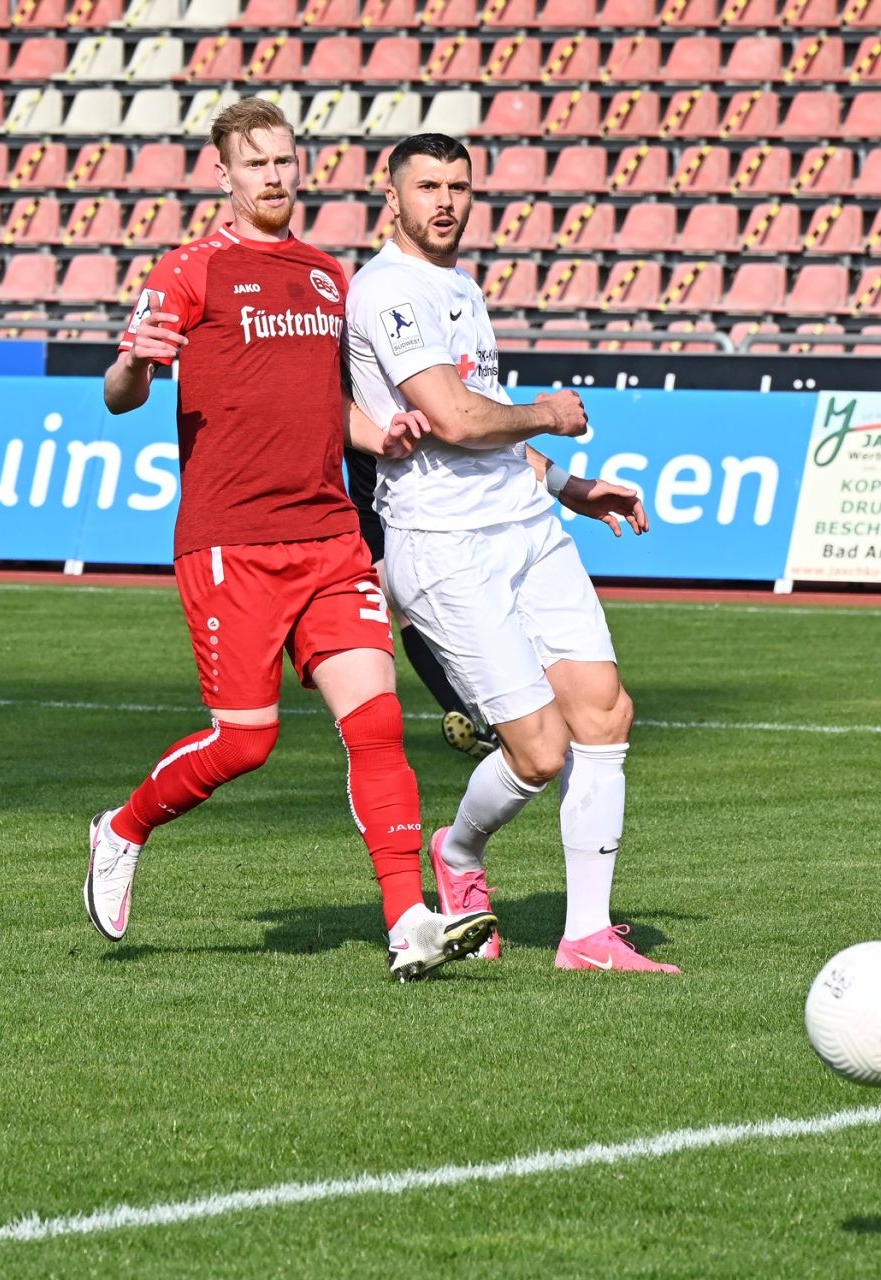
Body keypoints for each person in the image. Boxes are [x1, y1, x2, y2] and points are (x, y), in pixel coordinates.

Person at [82, 100, 495, 982]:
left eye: (285, 160)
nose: (274, 176)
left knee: (377, 725)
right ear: (224, 175)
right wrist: (133, 363)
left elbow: (326, 402)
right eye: (256, 163)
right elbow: (121, 394)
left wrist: (378, 434)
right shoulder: (189, 269)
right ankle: (121, 828)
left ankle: (408, 922)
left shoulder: (324, 275)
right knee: (245, 743)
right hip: (232, 540)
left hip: (328, 534)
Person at [343, 132, 677, 973]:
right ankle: (457, 855)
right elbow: (456, 419)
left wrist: (567, 484)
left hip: (524, 526)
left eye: (458, 186)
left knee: (605, 711)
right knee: (539, 750)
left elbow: (484, 422)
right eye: (428, 187)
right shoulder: (386, 291)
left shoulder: (459, 284)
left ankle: (587, 936)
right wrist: (549, 414)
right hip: (446, 545)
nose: (445, 202)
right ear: (393, 198)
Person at [345, 448, 501, 761]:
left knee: (409, 616)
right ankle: (493, 720)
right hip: (414, 516)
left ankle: (465, 713)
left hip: (375, 519)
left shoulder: (347, 418)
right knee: (454, 611)